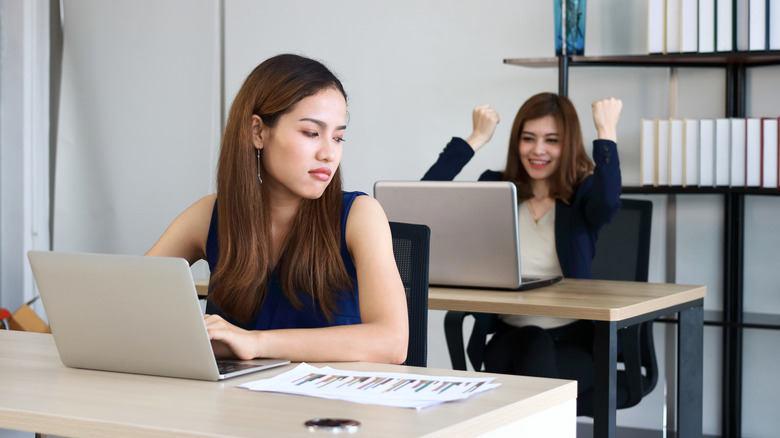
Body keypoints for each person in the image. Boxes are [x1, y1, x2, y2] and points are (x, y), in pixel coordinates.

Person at [146, 54, 409, 364]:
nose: (329, 153)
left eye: (338, 137)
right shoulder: (210, 214)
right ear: (258, 132)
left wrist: (255, 343)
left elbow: (391, 343)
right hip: (235, 402)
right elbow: (129, 297)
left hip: (331, 404)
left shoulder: (360, 215)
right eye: (312, 133)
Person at [422, 92, 623, 400]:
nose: (538, 150)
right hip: (508, 339)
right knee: (530, 345)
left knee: (534, 353)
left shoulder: (584, 195)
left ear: (567, 144)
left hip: (570, 345)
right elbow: (426, 199)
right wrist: (476, 138)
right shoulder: (497, 188)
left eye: (552, 140)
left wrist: (606, 131)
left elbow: (609, 202)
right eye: (528, 138)